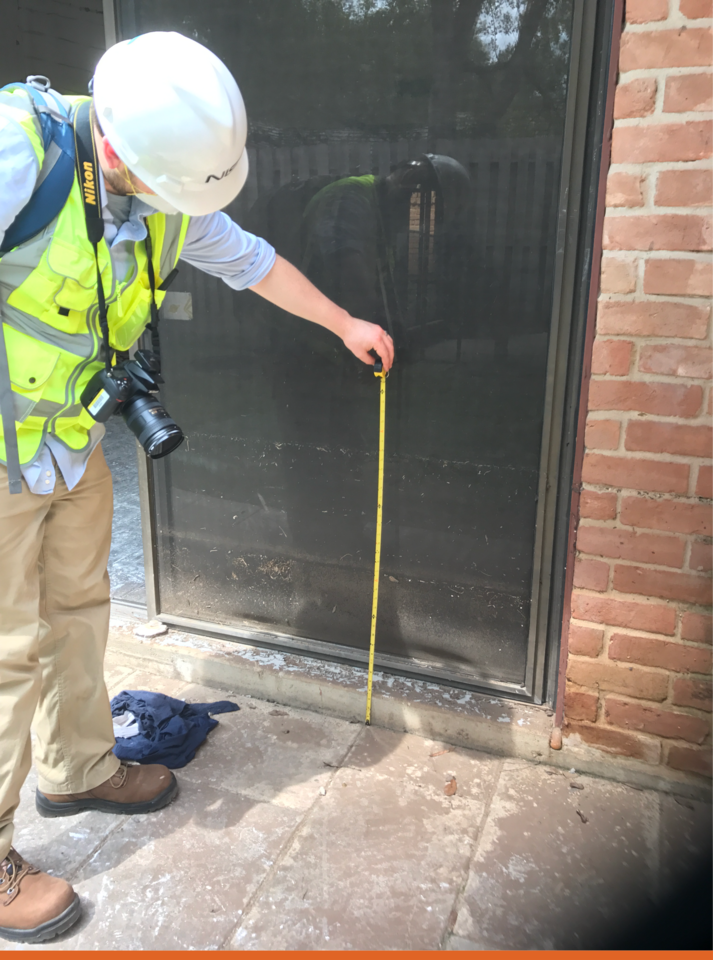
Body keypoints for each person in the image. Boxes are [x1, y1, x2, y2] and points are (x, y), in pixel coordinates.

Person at [0, 31, 393, 944]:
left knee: (77, 614)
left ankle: (80, 769)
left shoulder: (173, 187)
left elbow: (249, 259)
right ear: (113, 148)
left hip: (68, 442)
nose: (175, 207)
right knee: (7, 651)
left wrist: (342, 322)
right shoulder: (20, 154)